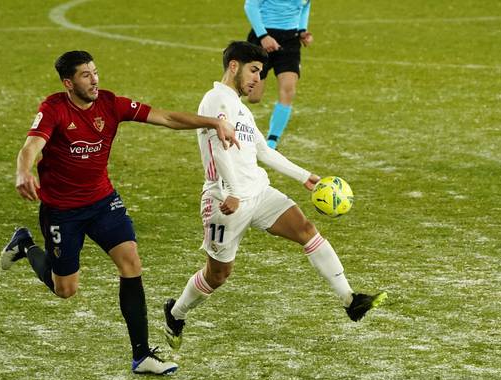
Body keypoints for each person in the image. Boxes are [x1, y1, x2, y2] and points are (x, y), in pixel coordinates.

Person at [0, 50, 239, 375]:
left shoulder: (111, 104)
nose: (94, 79)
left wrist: (214, 122)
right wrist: (22, 172)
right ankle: (25, 245)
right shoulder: (53, 108)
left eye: (95, 72)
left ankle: (142, 355)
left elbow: (166, 118)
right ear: (68, 82)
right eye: (86, 75)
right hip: (62, 211)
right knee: (65, 289)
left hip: (102, 202)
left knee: (131, 262)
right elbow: (30, 147)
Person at [163, 41, 386, 351]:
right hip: (225, 202)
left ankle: (350, 299)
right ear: (233, 66)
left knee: (306, 230)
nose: (257, 79)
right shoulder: (217, 100)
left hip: (257, 191)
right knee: (218, 275)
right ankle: (176, 313)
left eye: (261, 72)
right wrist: (234, 192)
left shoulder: (241, 109)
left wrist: (303, 176)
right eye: (254, 70)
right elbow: (218, 147)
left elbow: (263, 151)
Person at [244, 0, 314, 150]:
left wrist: (302, 30)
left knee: (288, 88)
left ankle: (271, 142)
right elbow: (250, 5)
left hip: (290, 41)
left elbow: (305, 5)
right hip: (261, 37)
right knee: (253, 96)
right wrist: (263, 36)